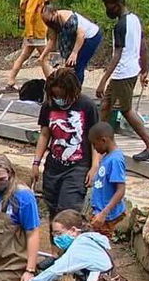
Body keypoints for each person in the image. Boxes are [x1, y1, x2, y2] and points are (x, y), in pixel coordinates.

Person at [96, 0, 149, 162]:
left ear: (117, 4)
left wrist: (102, 81)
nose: (106, 9)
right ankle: (100, 145)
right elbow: (143, 45)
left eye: (108, 5)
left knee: (125, 110)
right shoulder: (134, 19)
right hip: (128, 71)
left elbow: (117, 55)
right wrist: (144, 69)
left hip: (123, 73)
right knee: (105, 106)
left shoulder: (121, 25)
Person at [28, 67, 101, 220]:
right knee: (53, 209)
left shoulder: (87, 106)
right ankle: (55, 241)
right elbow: (44, 134)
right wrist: (36, 162)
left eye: (61, 96)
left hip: (77, 167)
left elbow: (96, 139)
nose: (58, 99)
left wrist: (94, 166)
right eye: (55, 95)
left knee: (68, 210)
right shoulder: (49, 105)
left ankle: (69, 241)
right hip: (54, 166)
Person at [5, 0, 66, 91]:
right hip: (36, 33)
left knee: (24, 56)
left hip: (40, 31)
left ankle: (11, 80)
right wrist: (30, 32)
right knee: (44, 58)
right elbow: (29, 13)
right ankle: (51, 83)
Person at [41, 4, 104, 86]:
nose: (49, 23)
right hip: (78, 39)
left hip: (90, 37)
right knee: (69, 66)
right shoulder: (53, 23)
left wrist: (74, 53)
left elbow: (81, 35)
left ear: (54, 13)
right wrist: (43, 55)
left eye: (50, 20)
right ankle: (69, 90)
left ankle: (76, 92)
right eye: (46, 22)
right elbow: (52, 40)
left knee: (78, 64)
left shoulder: (69, 20)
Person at [88, 122, 127, 238]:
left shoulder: (115, 160)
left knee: (100, 244)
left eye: (95, 145)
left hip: (106, 214)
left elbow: (121, 190)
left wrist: (104, 213)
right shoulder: (107, 157)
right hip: (100, 210)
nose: (95, 148)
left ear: (103, 140)